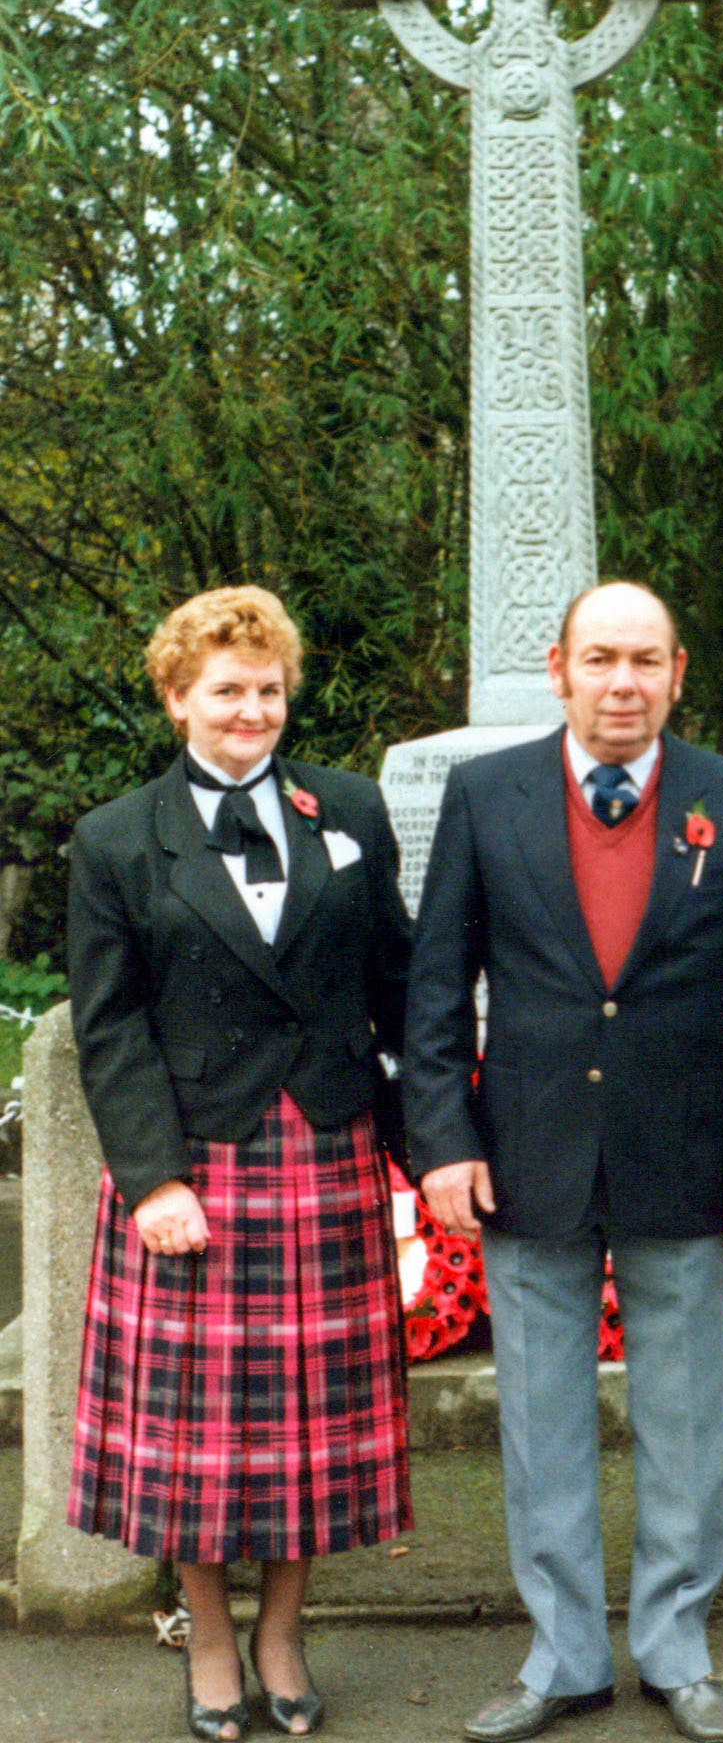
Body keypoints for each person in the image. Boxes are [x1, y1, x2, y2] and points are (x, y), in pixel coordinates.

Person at [404, 580, 723, 1743]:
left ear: (676, 671)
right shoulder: (487, 796)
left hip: (683, 1151)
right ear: (560, 667)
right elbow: (437, 981)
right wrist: (440, 1136)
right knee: (539, 1415)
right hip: (525, 1150)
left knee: (685, 1409)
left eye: (644, 659)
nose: (622, 681)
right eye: (601, 658)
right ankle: (564, 1652)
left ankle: (677, 1645)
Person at [66, 587, 413, 1742]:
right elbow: (109, 1025)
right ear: (176, 700)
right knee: (197, 1439)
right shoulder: (118, 835)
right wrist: (153, 1177)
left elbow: (396, 985)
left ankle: (283, 1629)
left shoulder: (349, 807)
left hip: (326, 1148)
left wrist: (435, 1147)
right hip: (194, 1164)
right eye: (225, 689)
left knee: (315, 1428)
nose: (250, 708)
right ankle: (212, 1635)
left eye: (267, 688)